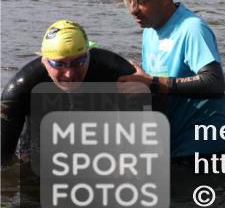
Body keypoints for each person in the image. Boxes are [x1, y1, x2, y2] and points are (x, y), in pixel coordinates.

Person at [118, 0, 225, 160]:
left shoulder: (192, 29)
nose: (133, 10)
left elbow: (215, 82)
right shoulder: (149, 29)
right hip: (174, 144)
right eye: (130, 2)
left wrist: (153, 83)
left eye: (142, 2)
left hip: (204, 148)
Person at [1, 20, 136, 165]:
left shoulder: (116, 71)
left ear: (88, 55)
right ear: (44, 61)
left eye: (78, 62)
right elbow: (3, 157)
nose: (69, 75)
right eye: (58, 64)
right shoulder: (21, 88)